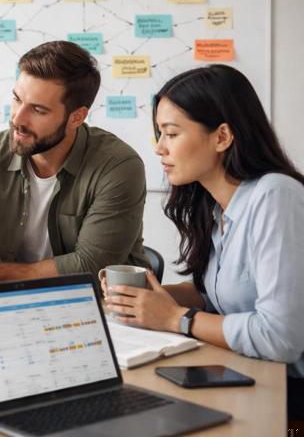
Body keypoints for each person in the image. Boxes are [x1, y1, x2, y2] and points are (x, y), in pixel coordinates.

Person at [103, 64, 304, 421]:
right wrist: (144, 299)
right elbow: (221, 296)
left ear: (222, 136)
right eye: (159, 134)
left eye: (171, 133)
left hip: (291, 392)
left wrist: (176, 318)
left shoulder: (276, 196)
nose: (160, 149)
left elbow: (280, 337)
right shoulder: (218, 207)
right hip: (250, 374)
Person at [0, 40, 149, 283]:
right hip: (19, 305)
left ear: (76, 117)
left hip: (107, 308)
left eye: (38, 110)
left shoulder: (118, 166)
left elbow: (91, 266)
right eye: (17, 99)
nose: (18, 119)